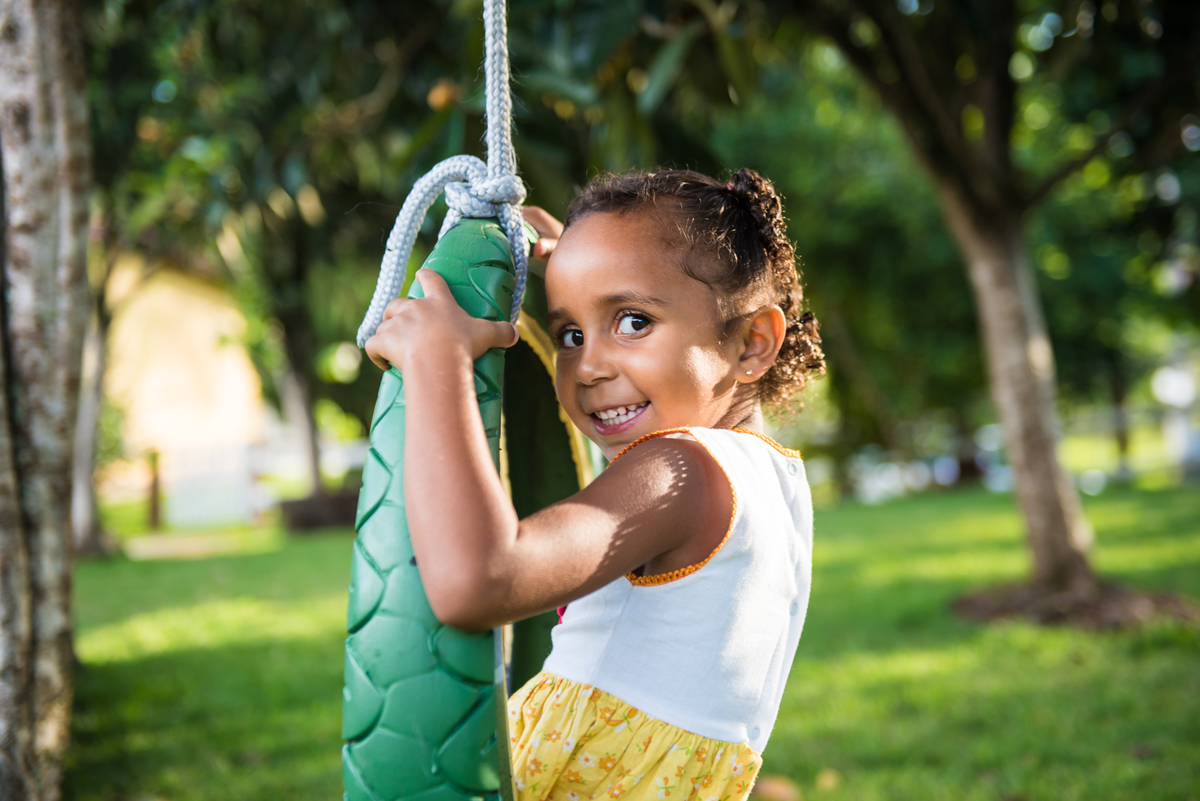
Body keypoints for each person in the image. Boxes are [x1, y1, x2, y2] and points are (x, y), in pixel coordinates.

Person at [364, 168, 825, 801]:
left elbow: (479, 580)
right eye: (570, 335)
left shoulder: (678, 472)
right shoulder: (772, 479)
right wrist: (576, 258)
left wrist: (437, 362)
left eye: (633, 321)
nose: (589, 366)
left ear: (752, 343)